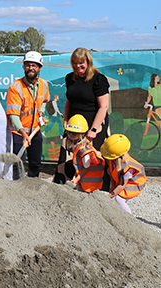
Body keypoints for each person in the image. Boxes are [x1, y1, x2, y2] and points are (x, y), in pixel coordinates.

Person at [53, 47, 110, 186]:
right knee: (67, 158)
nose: (78, 66)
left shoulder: (98, 79)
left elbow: (104, 106)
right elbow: (69, 101)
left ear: (88, 62)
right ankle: (67, 185)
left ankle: (97, 189)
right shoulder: (70, 78)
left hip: (93, 124)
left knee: (93, 159)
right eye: (75, 63)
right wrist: (65, 119)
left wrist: (94, 129)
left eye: (81, 63)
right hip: (73, 126)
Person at [6, 51, 50, 179]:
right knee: (18, 165)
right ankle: (18, 190)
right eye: (28, 65)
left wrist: (41, 113)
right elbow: (13, 115)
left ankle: (32, 188)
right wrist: (24, 134)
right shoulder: (16, 87)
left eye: (34, 65)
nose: (30, 68)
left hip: (34, 132)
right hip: (18, 133)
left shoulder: (44, 85)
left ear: (39, 68)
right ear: (24, 66)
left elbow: (45, 100)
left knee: (35, 163)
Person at [101, 134, 146, 213]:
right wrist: (112, 186)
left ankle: (128, 217)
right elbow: (111, 172)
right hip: (122, 181)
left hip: (134, 184)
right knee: (115, 193)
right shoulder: (112, 157)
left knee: (119, 199)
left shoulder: (128, 167)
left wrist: (110, 196)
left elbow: (122, 185)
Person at [65, 115, 105, 193]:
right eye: (68, 132)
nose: (70, 135)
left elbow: (86, 167)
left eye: (74, 133)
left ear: (82, 134)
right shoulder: (75, 144)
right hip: (83, 177)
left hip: (89, 181)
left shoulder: (84, 150)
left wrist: (76, 179)